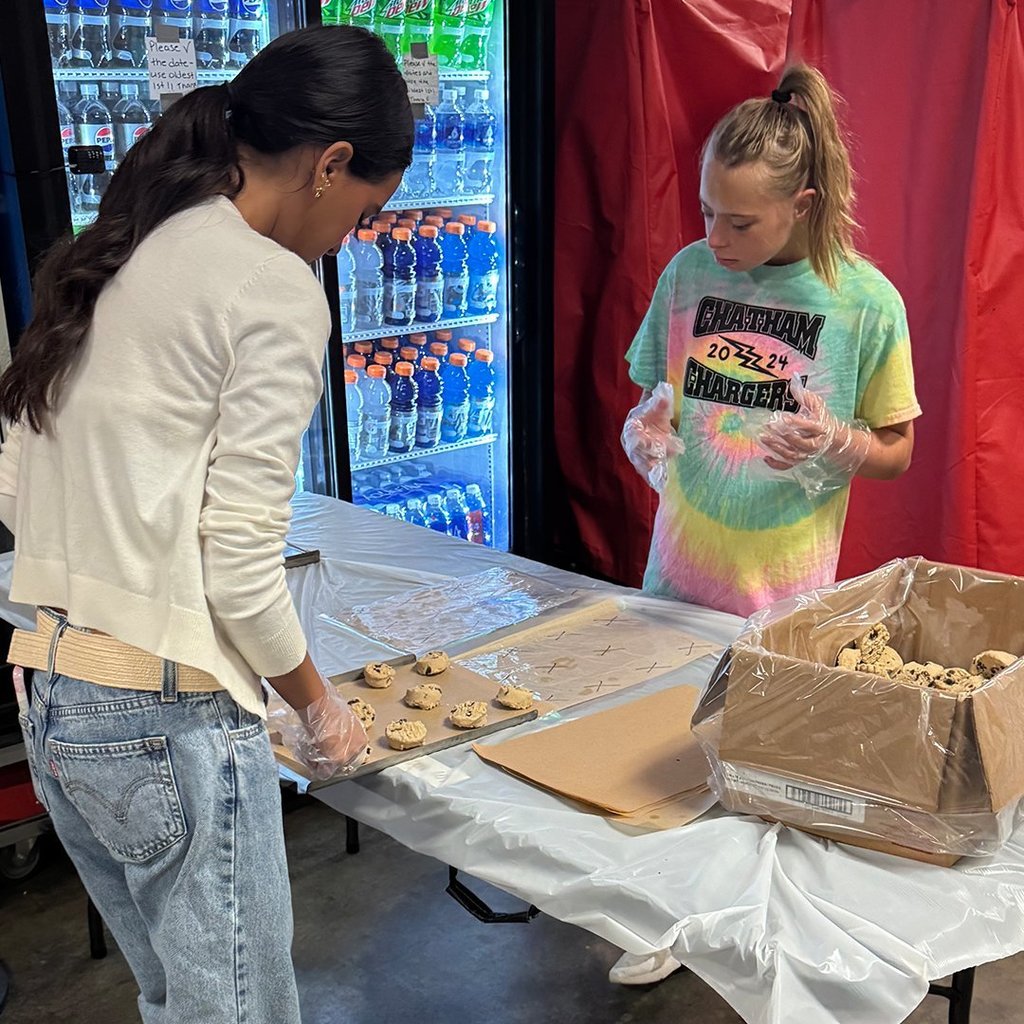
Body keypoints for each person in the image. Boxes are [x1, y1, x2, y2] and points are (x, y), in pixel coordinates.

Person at [0, 25, 412, 1022]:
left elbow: (16, 472)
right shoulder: (270, 288)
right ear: (330, 165)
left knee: (176, 999)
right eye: (365, 213)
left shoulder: (139, 233)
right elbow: (238, 565)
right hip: (159, 715)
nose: (353, 237)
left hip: (50, 694)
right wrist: (316, 705)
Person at [614, 65, 920, 984]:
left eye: (740, 221)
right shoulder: (688, 273)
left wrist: (841, 441)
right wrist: (645, 426)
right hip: (678, 569)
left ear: (804, 205)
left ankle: (749, 933)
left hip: (782, 588)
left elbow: (898, 449)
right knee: (650, 758)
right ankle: (660, 918)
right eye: (708, 211)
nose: (716, 235)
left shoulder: (865, 302)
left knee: (756, 771)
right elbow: (657, 390)